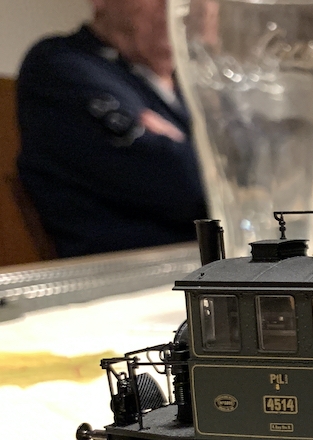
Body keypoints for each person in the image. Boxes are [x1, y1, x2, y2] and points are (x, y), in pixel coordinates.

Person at [15, 0, 207, 258]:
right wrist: (204, 158)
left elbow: (256, 171)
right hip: (136, 272)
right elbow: (186, 183)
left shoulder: (192, 86)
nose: (175, 5)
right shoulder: (61, 65)